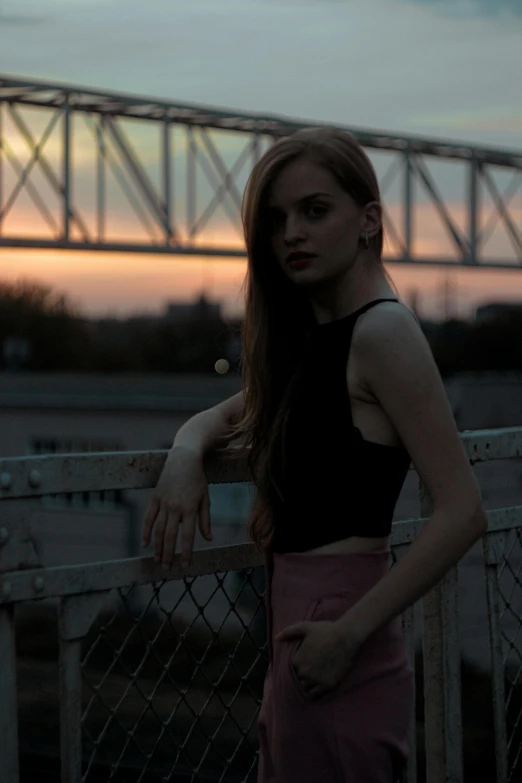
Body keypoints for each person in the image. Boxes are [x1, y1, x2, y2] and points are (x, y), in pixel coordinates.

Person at [142, 127, 487, 782]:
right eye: (277, 220)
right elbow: (225, 413)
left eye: (314, 210)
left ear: (369, 221)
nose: (291, 233)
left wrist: (348, 635)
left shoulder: (382, 330)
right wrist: (186, 449)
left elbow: (463, 509)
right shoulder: (317, 340)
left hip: (339, 642)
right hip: (303, 645)